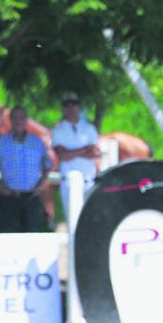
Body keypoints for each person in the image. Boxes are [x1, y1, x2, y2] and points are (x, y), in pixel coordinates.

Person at [0, 106, 52, 232]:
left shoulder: (37, 142)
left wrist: (39, 186)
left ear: (26, 120)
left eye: (21, 118)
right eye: (15, 118)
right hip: (10, 196)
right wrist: (0, 185)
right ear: (10, 120)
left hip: (31, 196)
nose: (18, 121)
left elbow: (47, 166)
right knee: (8, 236)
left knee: (32, 235)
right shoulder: (0, 143)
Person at [52, 92, 100, 224]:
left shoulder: (89, 128)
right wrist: (84, 150)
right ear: (63, 108)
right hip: (69, 182)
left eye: (74, 104)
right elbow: (62, 155)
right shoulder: (59, 130)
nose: (71, 108)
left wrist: (72, 152)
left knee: (91, 220)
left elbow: (96, 152)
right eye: (67, 105)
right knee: (73, 222)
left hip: (89, 181)